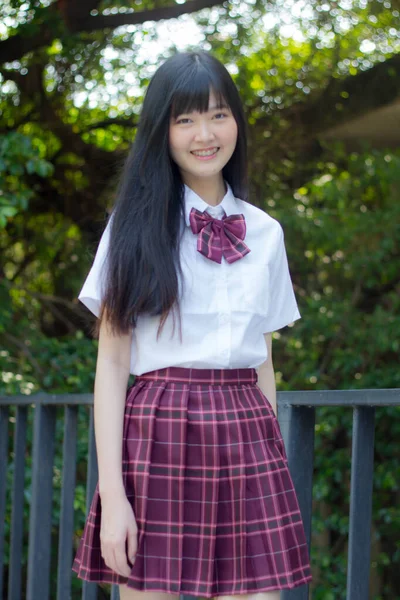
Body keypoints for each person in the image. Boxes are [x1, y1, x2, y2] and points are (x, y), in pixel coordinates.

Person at [72, 51, 312, 600]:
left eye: (218, 114)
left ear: (237, 124)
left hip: (248, 434)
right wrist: (114, 496)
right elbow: (111, 365)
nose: (204, 133)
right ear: (164, 131)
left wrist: (270, 461)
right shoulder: (131, 229)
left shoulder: (266, 233)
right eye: (185, 119)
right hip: (158, 433)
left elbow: (263, 361)